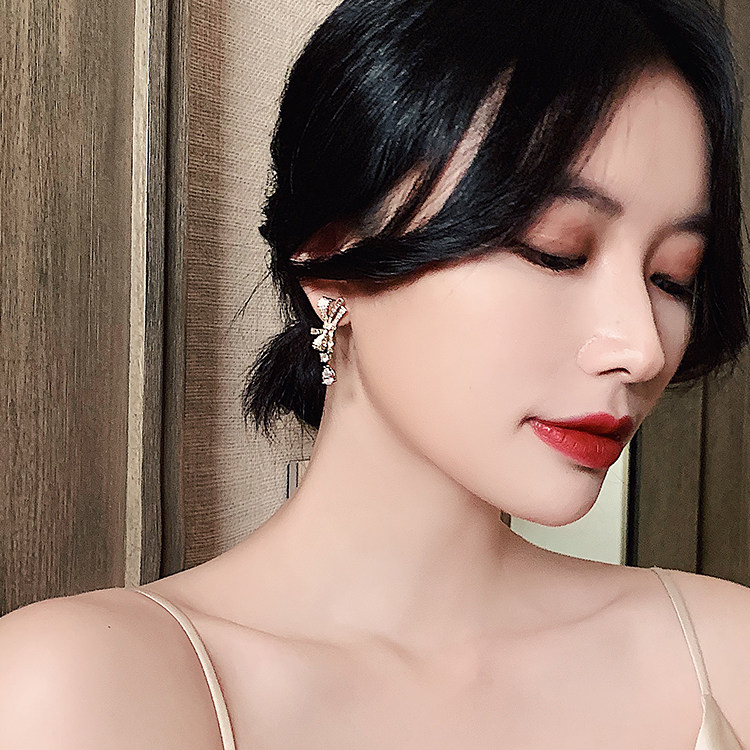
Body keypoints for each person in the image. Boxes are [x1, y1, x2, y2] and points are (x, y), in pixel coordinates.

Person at [1, 0, 749, 747]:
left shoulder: (724, 656)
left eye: (673, 277)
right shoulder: (88, 690)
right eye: (557, 252)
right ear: (330, 260)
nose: (642, 349)